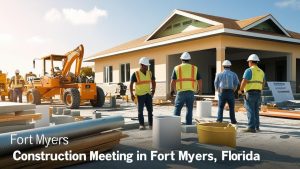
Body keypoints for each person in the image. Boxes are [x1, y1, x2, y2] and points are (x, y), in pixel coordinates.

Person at [170, 52, 202, 125]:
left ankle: (175, 124)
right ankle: (188, 124)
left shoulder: (177, 68)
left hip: (180, 92)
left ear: (181, 59)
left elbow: (173, 81)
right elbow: (200, 79)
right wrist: (199, 89)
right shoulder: (194, 68)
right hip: (191, 92)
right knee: (189, 109)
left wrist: (171, 90)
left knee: (177, 108)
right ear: (189, 59)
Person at [239, 54, 265, 133]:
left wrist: (241, 90)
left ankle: (251, 127)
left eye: (248, 62)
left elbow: (244, 81)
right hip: (258, 93)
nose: (248, 63)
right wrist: (259, 88)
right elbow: (263, 83)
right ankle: (257, 127)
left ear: (250, 61)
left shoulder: (249, 70)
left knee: (250, 110)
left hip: (250, 93)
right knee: (256, 110)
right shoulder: (261, 72)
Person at [130, 57, 156, 130]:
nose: (147, 67)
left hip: (148, 94)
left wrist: (153, 90)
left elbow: (153, 81)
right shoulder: (136, 74)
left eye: (147, 65)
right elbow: (131, 84)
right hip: (139, 95)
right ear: (141, 65)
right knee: (140, 111)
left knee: (150, 110)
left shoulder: (149, 73)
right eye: (145, 65)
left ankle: (151, 125)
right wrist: (131, 94)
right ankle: (141, 125)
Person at [214, 60, 239, 124]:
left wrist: (218, 90)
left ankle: (219, 120)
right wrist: (233, 90)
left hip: (222, 92)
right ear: (230, 66)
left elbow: (216, 83)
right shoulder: (234, 74)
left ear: (223, 66)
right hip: (230, 92)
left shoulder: (219, 74)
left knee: (220, 107)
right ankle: (233, 121)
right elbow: (236, 84)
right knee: (231, 107)